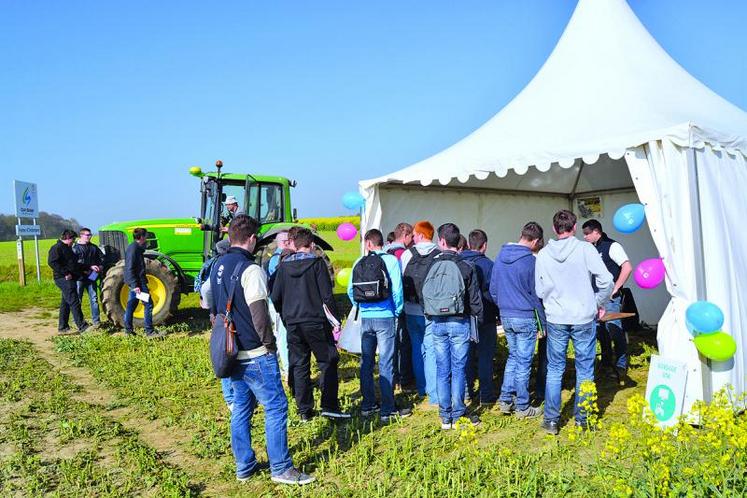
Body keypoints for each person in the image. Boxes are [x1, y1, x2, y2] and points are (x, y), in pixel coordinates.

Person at [205, 214, 314, 485]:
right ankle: (281, 468)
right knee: (276, 408)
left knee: (241, 408)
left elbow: (210, 304)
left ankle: (244, 465)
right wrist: (269, 346)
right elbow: (259, 314)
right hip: (255, 354)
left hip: (231, 352)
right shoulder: (250, 269)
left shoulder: (217, 264)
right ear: (252, 239)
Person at [535, 210, 613, 435]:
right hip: (583, 317)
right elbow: (606, 279)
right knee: (585, 368)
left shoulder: (543, 254)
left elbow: (540, 289)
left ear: (553, 228)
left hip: (556, 317)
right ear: (575, 227)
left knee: (555, 369)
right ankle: (584, 418)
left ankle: (551, 420)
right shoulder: (585, 249)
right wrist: (597, 301)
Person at [270, 227, 350, 421]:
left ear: (294, 244)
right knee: (328, 360)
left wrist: (285, 316)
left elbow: (275, 296)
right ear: (311, 244)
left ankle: (304, 409)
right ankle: (329, 405)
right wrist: (335, 322)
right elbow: (326, 296)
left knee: (299, 364)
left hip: (294, 323)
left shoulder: (283, 267)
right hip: (315, 321)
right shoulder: (317, 264)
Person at [347, 229, 411, 422]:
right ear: (381, 242)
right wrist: (397, 310)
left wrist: (360, 306)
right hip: (386, 317)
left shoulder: (359, 262)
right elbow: (397, 290)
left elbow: (351, 290)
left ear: (368, 243)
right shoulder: (391, 261)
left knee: (366, 362)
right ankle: (387, 408)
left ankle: (368, 406)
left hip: (366, 318)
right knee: (386, 362)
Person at [426, 223, 482, 429]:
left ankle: (445, 416)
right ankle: (458, 412)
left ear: (441, 241)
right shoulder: (467, 266)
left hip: (437, 322)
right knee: (459, 368)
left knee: (442, 368)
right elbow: (475, 300)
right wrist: (478, 320)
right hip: (460, 321)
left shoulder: (431, 265)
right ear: (458, 242)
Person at [490, 222, 546, 419]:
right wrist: (543, 323)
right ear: (536, 241)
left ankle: (506, 400)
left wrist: (503, 307)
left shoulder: (499, 257)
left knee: (513, 358)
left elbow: (493, 290)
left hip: (506, 314)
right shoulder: (530, 262)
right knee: (523, 362)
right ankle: (523, 406)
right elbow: (537, 295)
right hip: (525, 316)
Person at [582, 219, 634, 380]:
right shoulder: (590, 249)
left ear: (597, 231)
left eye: (587, 234)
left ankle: (620, 363)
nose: (584, 237)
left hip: (610, 298)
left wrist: (616, 287)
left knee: (614, 330)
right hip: (596, 298)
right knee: (600, 331)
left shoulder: (613, 246)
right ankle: (606, 362)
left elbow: (627, 267)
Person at [400, 221, 440, 405]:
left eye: (415, 234)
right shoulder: (439, 253)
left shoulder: (408, 254)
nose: (413, 238)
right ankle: (434, 393)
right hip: (431, 310)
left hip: (410, 308)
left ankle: (422, 388)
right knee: (431, 350)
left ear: (422, 235)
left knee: (417, 348)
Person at [460, 229, 499, 405]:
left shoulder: (458, 262)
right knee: (485, 356)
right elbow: (495, 292)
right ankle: (486, 394)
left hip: (463, 316)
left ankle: (467, 391)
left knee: (466, 355)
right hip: (486, 316)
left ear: (468, 243)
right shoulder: (489, 265)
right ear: (484, 246)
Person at [385, 222, 415, 390]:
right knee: (403, 342)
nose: (411, 240)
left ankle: (393, 378)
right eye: (411, 237)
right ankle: (404, 380)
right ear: (405, 236)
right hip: (399, 304)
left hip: (383, 305)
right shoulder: (403, 254)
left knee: (390, 344)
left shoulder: (384, 251)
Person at [48, 229, 89, 334]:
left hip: (70, 278)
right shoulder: (56, 248)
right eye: (73, 239)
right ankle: (82, 326)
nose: (74, 241)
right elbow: (52, 263)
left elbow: (74, 264)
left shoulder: (68, 248)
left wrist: (87, 267)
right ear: (67, 238)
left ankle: (63, 327)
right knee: (74, 301)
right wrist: (65, 273)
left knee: (65, 303)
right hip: (63, 278)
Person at [123, 228, 160, 338]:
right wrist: (135, 286)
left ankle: (128, 331)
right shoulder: (133, 249)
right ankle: (149, 332)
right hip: (138, 283)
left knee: (131, 305)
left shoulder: (135, 247)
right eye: (146, 236)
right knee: (148, 304)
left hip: (136, 282)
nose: (147, 237)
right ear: (142, 237)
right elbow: (129, 268)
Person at [267, 230, 292, 378]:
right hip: (279, 304)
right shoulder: (278, 260)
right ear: (286, 242)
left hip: (277, 303)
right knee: (282, 335)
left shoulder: (275, 258)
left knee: (280, 334)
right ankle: (287, 368)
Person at [73, 227, 104, 328]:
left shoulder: (94, 247)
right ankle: (77, 321)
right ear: (81, 236)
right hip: (79, 277)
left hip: (92, 276)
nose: (89, 237)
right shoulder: (75, 249)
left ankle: (96, 321)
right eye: (87, 235)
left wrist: (100, 266)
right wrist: (89, 266)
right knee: (78, 299)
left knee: (94, 299)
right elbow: (74, 263)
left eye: (90, 235)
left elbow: (101, 259)